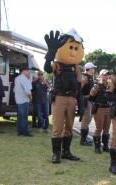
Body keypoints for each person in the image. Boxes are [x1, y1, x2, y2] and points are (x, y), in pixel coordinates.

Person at [44, 29, 85, 164]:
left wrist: (81, 103)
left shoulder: (76, 67)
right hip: (59, 98)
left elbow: (79, 85)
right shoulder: (57, 64)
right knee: (57, 127)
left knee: (69, 126)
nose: (73, 51)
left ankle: (66, 152)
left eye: (75, 48)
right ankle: (56, 154)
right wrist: (51, 52)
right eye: (70, 47)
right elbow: (47, 69)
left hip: (72, 99)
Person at [89, 69, 111, 154]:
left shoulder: (110, 86)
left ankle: (105, 146)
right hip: (99, 109)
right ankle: (97, 147)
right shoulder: (97, 86)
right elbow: (91, 97)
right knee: (99, 129)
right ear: (101, 76)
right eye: (104, 74)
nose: (106, 76)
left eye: (107, 74)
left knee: (107, 129)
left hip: (108, 109)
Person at [80, 62, 97, 146]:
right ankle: (82, 140)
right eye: (93, 68)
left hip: (90, 101)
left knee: (88, 119)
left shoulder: (90, 77)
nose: (94, 69)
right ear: (89, 69)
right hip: (86, 101)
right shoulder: (84, 77)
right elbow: (79, 90)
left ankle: (85, 139)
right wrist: (83, 98)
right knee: (85, 120)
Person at [14, 67, 33, 137]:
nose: (29, 73)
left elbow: (14, 90)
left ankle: (20, 131)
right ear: (24, 71)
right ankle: (25, 132)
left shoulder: (17, 78)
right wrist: (31, 98)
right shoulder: (24, 78)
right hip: (24, 101)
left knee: (20, 117)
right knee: (24, 117)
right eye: (28, 72)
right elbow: (28, 91)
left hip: (18, 100)